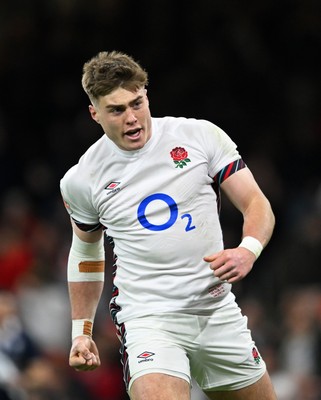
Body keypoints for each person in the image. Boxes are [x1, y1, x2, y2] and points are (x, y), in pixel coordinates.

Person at [60, 50, 277, 400]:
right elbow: (86, 251)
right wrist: (81, 331)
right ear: (94, 113)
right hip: (149, 318)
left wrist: (247, 250)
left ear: (147, 95)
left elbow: (256, 203)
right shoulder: (83, 179)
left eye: (137, 103)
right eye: (116, 110)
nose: (132, 118)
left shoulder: (199, 136)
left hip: (215, 308)